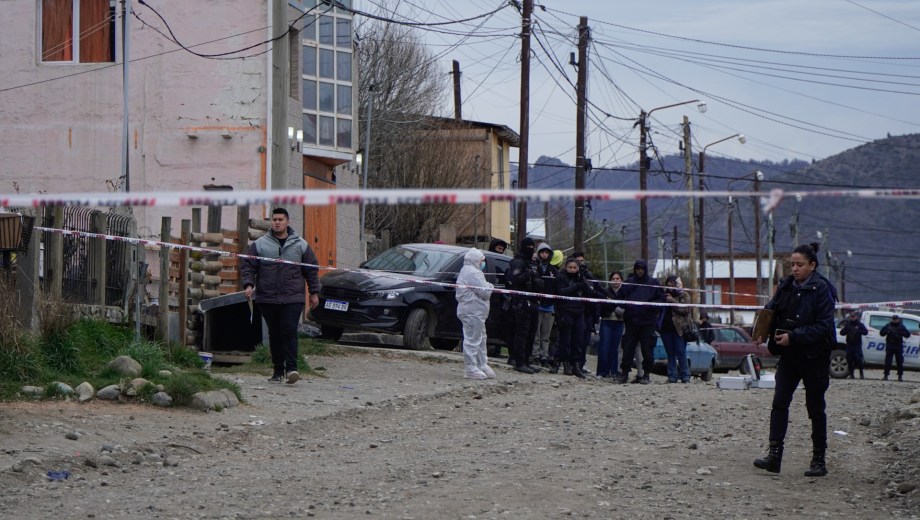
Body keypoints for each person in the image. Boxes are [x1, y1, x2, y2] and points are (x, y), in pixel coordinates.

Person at [753, 242, 836, 477]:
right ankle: (774, 456)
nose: (795, 269)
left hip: (814, 357)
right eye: (792, 264)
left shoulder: (823, 289)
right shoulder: (787, 286)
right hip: (789, 357)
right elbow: (771, 310)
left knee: (815, 408)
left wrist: (795, 337)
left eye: (800, 264)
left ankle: (819, 459)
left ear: (812, 265)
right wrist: (760, 330)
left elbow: (824, 326)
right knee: (779, 403)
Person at [241, 208, 320, 384]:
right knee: (275, 333)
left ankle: (292, 368)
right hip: (267, 297)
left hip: (293, 297)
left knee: (289, 329)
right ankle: (278, 370)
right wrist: (248, 285)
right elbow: (248, 266)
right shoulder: (260, 244)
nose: (277, 222)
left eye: (280, 219)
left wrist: (314, 293)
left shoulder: (301, 245)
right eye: (274, 219)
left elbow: (311, 270)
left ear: (287, 222)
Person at [614, 259, 664, 385]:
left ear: (645, 269)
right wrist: (627, 307)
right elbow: (619, 298)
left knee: (647, 350)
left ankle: (646, 375)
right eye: (638, 269)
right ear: (635, 269)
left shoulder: (653, 284)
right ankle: (624, 373)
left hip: (648, 322)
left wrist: (652, 306)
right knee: (628, 349)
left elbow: (662, 300)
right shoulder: (629, 283)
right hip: (631, 321)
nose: (640, 271)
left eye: (642, 269)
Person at [456, 248, 496, 380]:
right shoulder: (473, 273)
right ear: (476, 260)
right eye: (481, 261)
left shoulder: (471, 271)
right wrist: (490, 286)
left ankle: (481, 363)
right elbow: (484, 292)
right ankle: (471, 367)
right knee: (473, 339)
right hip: (472, 311)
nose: (482, 263)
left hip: (476, 312)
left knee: (480, 337)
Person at [505, 237, 542, 374]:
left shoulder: (532, 263)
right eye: (529, 247)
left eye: (533, 247)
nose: (531, 249)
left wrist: (537, 281)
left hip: (533, 300)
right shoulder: (518, 262)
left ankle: (526, 360)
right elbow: (515, 280)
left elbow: (538, 280)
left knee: (531, 333)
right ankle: (519, 362)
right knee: (522, 333)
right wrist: (528, 274)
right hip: (521, 302)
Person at [554, 257, 594, 378]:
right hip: (566, 311)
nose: (572, 270)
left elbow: (591, 293)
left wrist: (582, 282)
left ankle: (576, 365)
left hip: (579, 312)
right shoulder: (561, 277)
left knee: (578, 340)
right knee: (566, 340)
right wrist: (575, 287)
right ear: (566, 267)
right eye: (570, 267)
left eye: (574, 268)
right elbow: (560, 292)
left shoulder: (581, 277)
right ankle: (566, 364)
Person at [660, 275, 692, 383]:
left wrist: (672, 301)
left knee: (681, 353)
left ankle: (685, 376)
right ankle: (672, 376)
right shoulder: (663, 296)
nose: (670, 287)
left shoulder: (684, 295)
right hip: (665, 328)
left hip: (679, 329)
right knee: (670, 353)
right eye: (668, 285)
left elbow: (685, 310)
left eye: (672, 285)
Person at [573, 252, 600, 375]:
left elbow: (594, 292)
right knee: (576, 340)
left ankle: (581, 364)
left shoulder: (588, 275)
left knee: (585, 341)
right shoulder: (572, 276)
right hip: (576, 312)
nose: (581, 263)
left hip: (588, 312)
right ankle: (573, 364)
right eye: (578, 261)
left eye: (582, 261)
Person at [532, 243, 558, 368]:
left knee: (546, 335)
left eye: (547, 252)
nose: (544, 255)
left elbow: (557, 288)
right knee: (536, 333)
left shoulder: (553, 270)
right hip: (537, 304)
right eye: (542, 252)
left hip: (549, 306)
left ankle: (544, 356)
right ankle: (535, 355)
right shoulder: (534, 268)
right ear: (538, 253)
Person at [596, 271, 626, 379]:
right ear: (610, 280)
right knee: (604, 347)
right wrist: (615, 306)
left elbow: (626, 306)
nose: (615, 281)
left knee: (615, 348)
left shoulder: (625, 292)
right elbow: (603, 306)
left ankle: (614, 371)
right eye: (613, 278)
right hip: (606, 320)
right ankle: (602, 372)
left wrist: (613, 303)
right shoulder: (605, 292)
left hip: (620, 322)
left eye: (617, 278)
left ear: (621, 280)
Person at [880, 314, 910, 382]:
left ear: (898, 320)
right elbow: (881, 333)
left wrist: (901, 332)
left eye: (896, 319)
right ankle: (886, 375)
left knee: (899, 361)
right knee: (888, 361)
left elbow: (907, 335)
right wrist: (887, 331)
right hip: (890, 345)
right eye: (893, 319)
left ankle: (900, 376)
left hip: (898, 346)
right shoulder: (888, 326)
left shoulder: (901, 327)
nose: (895, 320)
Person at [839, 311, 868, 379]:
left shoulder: (860, 324)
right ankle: (851, 374)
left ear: (856, 317)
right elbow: (841, 332)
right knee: (849, 360)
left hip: (857, 345)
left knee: (859, 360)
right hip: (849, 345)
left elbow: (865, 332)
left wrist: (858, 331)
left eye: (853, 316)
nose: (852, 318)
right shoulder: (848, 324)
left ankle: (861, 374)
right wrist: (847, 331)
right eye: (851, 316)